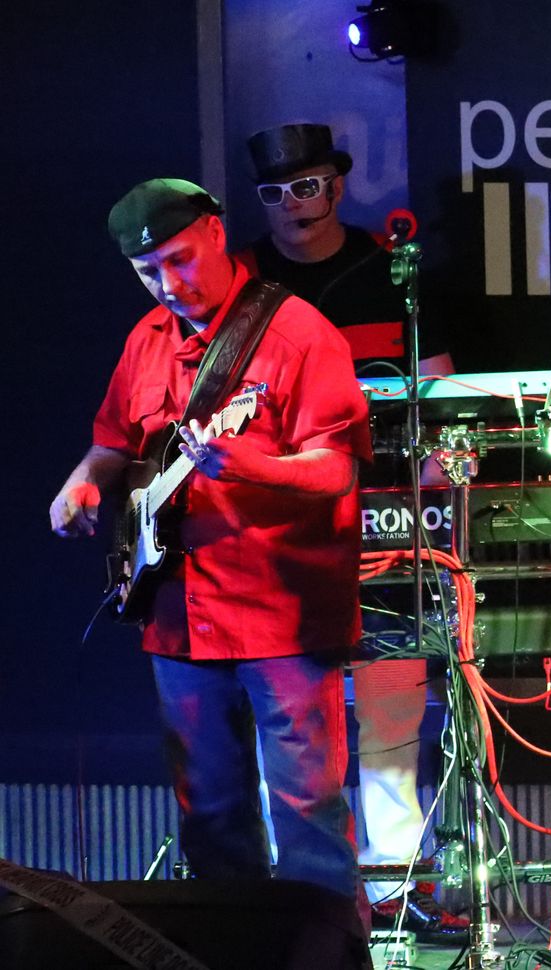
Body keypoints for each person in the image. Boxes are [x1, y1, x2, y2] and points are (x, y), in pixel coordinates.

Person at [48, 180, 371, 938]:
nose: (170, 284)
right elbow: (113, 442)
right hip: (178, 616)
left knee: (307, 817)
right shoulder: (146, 339)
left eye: (181, 260)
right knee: (211, 818)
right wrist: (84, 482)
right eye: (149, 271)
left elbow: (336, 468)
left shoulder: (299, 335)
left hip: (282, 616)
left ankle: (330, 955)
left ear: (217, 234)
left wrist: (255, 468)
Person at [239, 122, 463, 940]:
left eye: (307, 187)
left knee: (392, 707)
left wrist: (432, 484)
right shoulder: (243, 284)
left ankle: (396, 885)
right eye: (275, 192)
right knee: (287, 721)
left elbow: (439, 397)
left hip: (384, 517)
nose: (293, 206)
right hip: (278, 531)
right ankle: (298, 896)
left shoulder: (391, 273)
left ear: (336, 186)